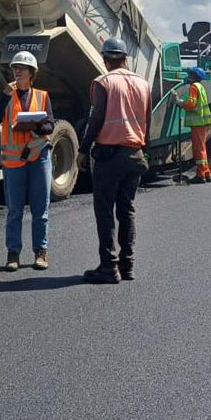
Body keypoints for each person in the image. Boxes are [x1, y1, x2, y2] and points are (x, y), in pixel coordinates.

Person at [77, 37, 151, 284]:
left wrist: (83, 149)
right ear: (125, 58)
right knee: (127, 210)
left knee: (105, 210)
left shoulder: (103, 82)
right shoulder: (143, 83)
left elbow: (95, 119)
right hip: (135, 154)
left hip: (110, 156)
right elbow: (147, 120)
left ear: (105, 59)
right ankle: (127, 265)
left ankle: (109, 267)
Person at [0, 51, 54, 272]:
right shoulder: (8, 95)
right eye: (15, 68)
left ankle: (41, 253)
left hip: (39, 157)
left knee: (41, 210)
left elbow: (50, 126)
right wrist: (5, 96)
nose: (17, 71)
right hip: (14, 161)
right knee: (14, 210)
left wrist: (35, 124)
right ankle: (13, 254)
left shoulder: (42, 96)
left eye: (21, 68)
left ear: (31, 73)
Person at [180, 67, 211, 182]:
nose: (187, 77)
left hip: (198, 123)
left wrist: (180, 102)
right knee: (202, 148)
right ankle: (206, 172)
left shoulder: (194, 87)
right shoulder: (201, 87)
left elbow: (191, 104)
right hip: (202, 122)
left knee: (198, 149)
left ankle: (201, 175)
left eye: (189, 75)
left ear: (193, 77)